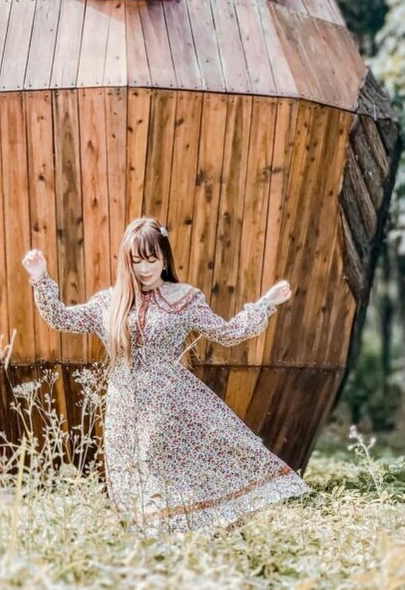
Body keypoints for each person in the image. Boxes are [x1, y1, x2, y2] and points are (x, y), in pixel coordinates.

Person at [21, 216, 312, 534]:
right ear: (126, 261)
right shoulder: (108, 302)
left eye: (152, 259)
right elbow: (61, 318)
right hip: (123, 411)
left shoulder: (184, 298)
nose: (145, 268)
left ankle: (196, 538)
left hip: (170, 406)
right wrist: (40, 277)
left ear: (164, 258)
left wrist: (265, 304)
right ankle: (158, 549)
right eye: (137, 261)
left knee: (167, 473)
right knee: (136, 483)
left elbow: (227, 333)